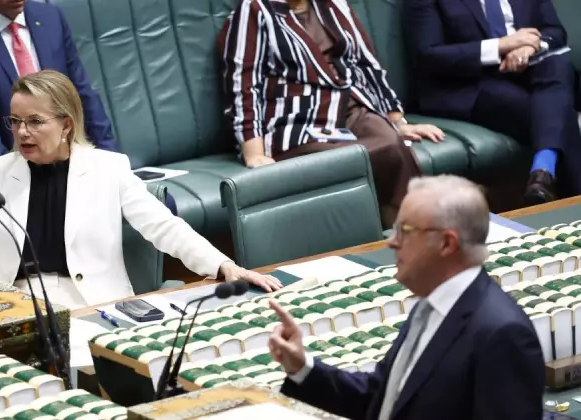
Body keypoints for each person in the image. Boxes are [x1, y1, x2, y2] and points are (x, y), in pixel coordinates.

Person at [0, 70, 282, 309]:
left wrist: (224, 265)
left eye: (35, 121)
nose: (22, 132)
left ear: (66, 125)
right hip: (19, 305)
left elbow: (162, 226)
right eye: (15, 121)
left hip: (93, 304)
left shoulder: (108, 169)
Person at [268, 175, 544, 420]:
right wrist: (302, 367)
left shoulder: (502, 333)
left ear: (446, 243)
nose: (391, 242)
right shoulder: (429, 306)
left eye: (405, 231)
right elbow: (382, 398)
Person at [218, 0, 444, 226]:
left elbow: (366, 64)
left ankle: (416, 232)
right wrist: (254, 153)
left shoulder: (335, 4)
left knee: (392, 143)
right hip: (298, 123)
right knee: (346, 159)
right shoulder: (254, 10)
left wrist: (398, 122)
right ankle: (400, 232)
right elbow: (243, 85)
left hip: (351, 108)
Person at [0, 0, 118, 204]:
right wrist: (28, 183)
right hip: (12, 182)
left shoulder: (50, 17)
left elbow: (81, 93)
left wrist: (111, 162)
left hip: (71, 165)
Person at [403, 0, 581, 204]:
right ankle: (554, 178)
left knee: (558, 66)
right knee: (551, 109)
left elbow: (554, 31)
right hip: (468, 82)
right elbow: (428, 54)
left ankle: (543, 172)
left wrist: (529, 47)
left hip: (529, 66)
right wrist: (500, 46)